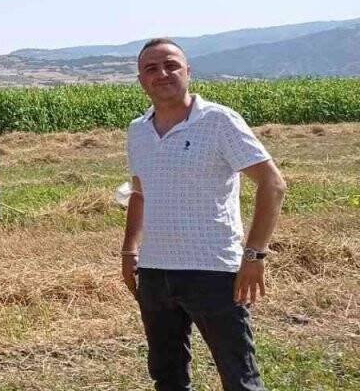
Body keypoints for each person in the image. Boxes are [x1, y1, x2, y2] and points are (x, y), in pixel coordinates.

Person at [121, 38, 287, 391]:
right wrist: (129, 250)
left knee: (238, 377)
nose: (162, 73)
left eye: (171, 65)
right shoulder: (138, 131)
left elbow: (272, 184)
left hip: (214, 272)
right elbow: (139, 192)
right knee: (167, 375)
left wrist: (255, 255)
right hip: (155, 272)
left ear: (188, 72)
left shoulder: (219, 121)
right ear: (140, 80)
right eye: (151, 68)